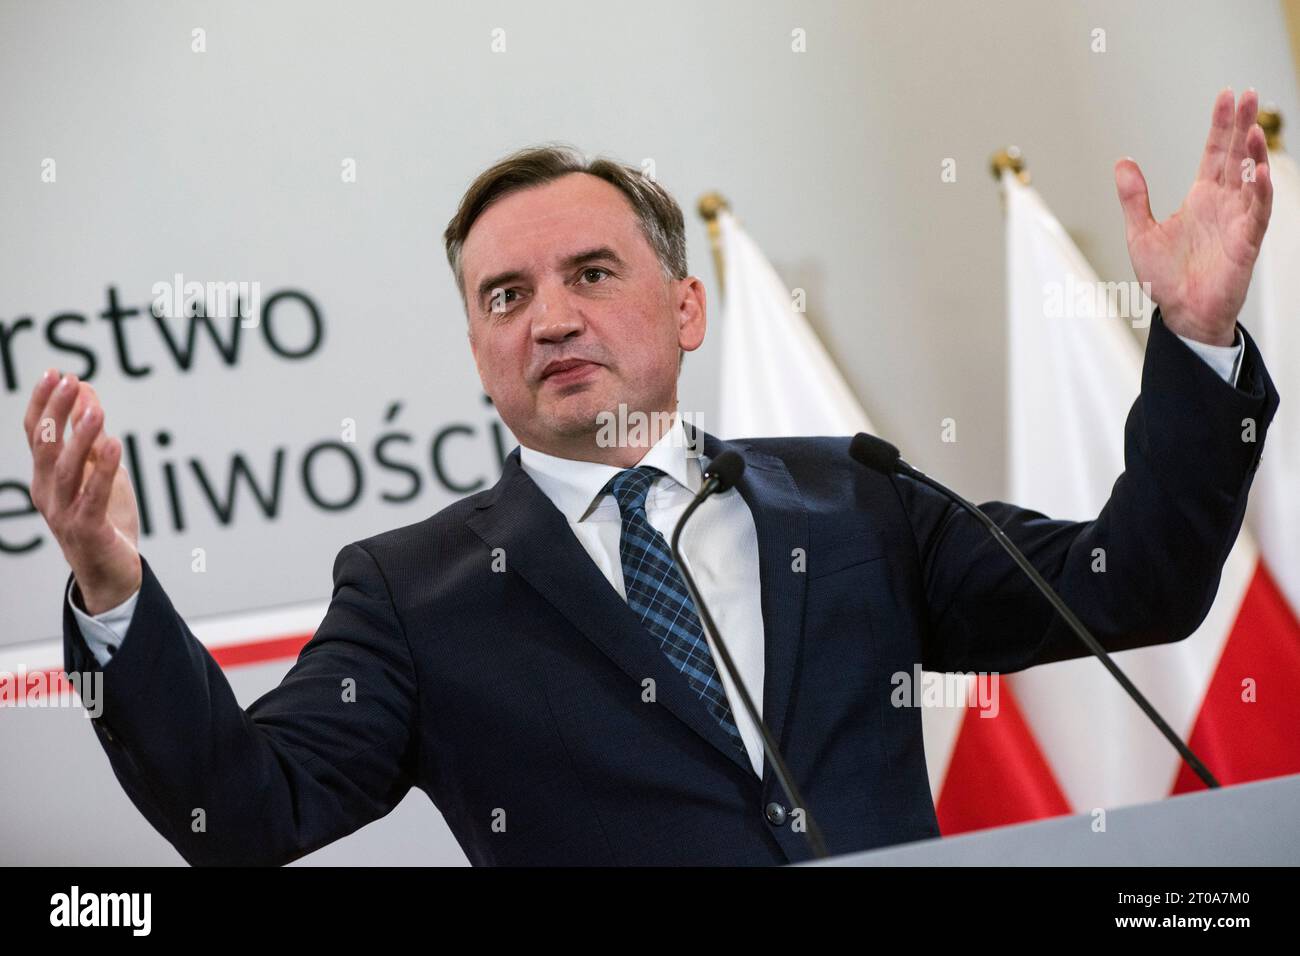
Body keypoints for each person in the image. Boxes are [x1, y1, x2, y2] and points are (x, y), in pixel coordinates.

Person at [23, 89, 1278, 865]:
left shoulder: (854, 498)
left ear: (685, 307)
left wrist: (1198, 344)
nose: (550, 317)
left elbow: (1134, 588)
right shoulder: (414, 593)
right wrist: (112, 590)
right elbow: (241, 816)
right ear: (478, 351)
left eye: (591, 274)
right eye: (505, 296)